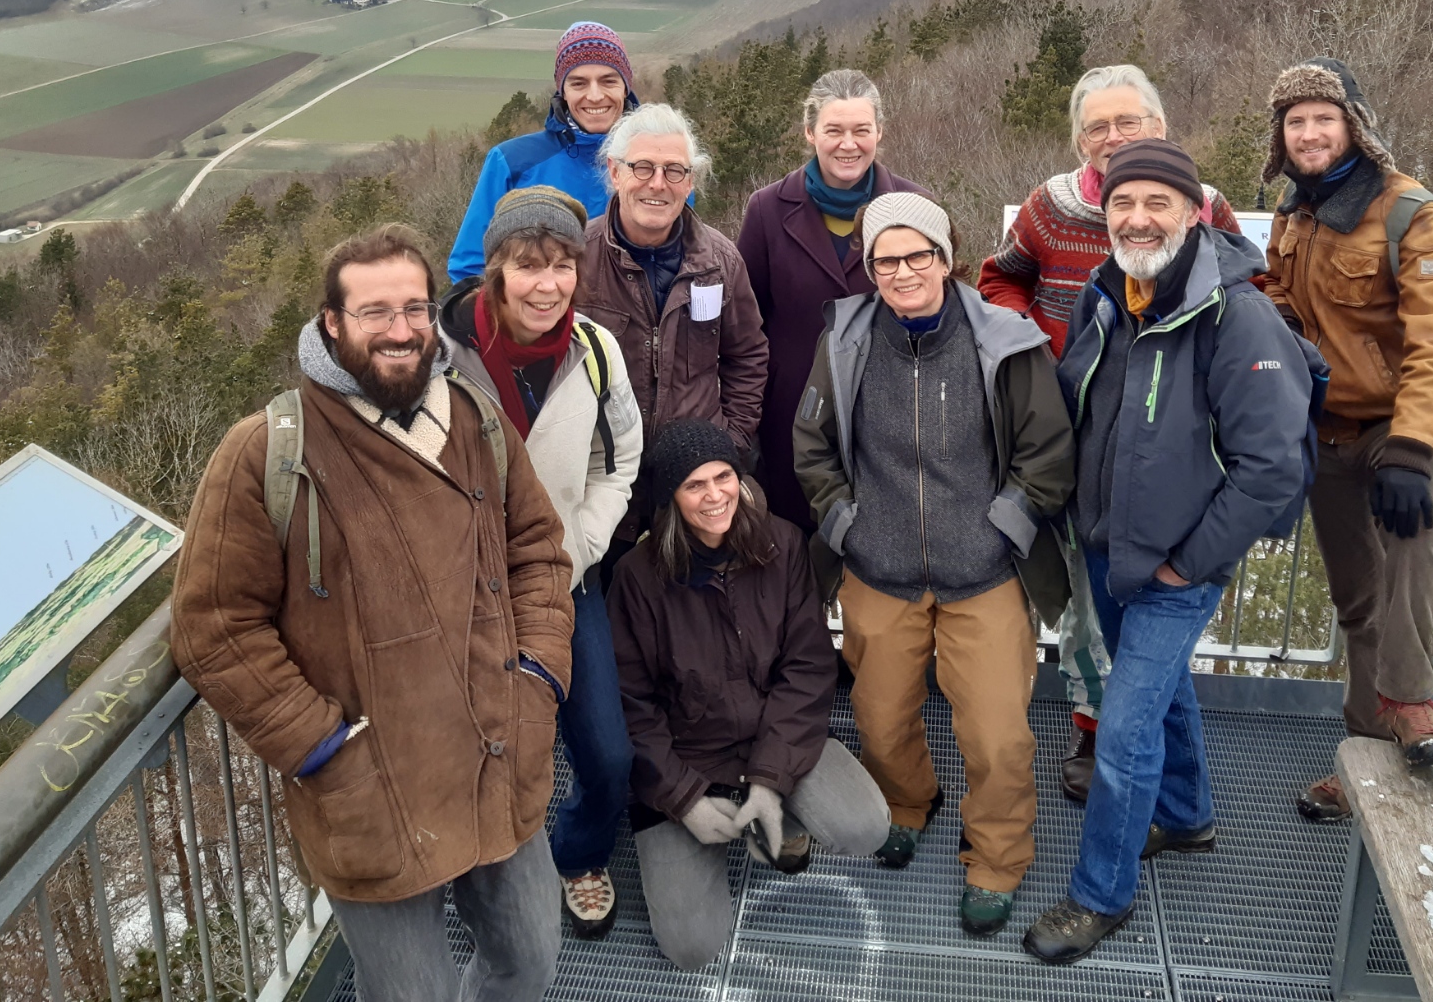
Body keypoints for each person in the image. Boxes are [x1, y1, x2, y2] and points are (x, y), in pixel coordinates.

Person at [171, 225, 573, 1002]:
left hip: (498, 750)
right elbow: (215, 625)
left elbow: (538, 550)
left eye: (415, 308)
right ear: (331, 323)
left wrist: (536, 676)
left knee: (529, 961)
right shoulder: (266, 451)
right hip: (371, 785)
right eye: (374, 312)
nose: (399, 330)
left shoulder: (474, 420)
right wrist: (321, 746)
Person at [1023, 140, 1317, 964]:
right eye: (1123, 204)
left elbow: (1269, 468)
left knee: (1122, 731)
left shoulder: (1237, 315)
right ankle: (1186, 818)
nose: (1137, 218)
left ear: (1193, 213)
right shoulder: (1107, 293)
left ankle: (1098, 896)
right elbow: (1080, 406)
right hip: (1112, 549)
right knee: (1159, 692)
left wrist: (1188, 563)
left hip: (1176, 565)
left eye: (1157, 203)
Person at [793, 192, 1074, 938]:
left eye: (918, 255)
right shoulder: (845, 341)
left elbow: (1047, 456)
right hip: (876, 570)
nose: (902, 271)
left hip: (982, 575)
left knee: (997, 736)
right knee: (879, 720)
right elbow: (812, 445)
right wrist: (846, 526)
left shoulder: (1005, 342)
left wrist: (1001, 532)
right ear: (869, 270)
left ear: (947, 259)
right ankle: (907, 804)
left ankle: (996, 858)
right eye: (886, 260)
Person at [978, 64, 1241, 802]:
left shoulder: (1203, 206)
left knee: (1151, 596)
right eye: (1097, 126)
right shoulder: (1050, 208)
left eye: (1130, 123)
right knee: (1082, 594)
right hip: (1069, 433)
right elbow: (999, 279)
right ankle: (1095, 732)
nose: (1113, 138)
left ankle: (1151, 747)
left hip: (1167, 444)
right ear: (1078, 138)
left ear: (1160, 129)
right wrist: (1041, 348)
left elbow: (1245, 296)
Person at [1259, 58, 1433, 821]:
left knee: (1411, 544)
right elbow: (1284, 301)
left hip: (1397, 423)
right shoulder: (1293, 213)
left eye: (1322, 117)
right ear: (1281, 138)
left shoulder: (1404, 210)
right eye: (1295, 121)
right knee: (1356, 601)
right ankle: (1363, 761)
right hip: (1326, 429)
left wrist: (1414, 446)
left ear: (1352, 124)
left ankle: (1411, 704)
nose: (1309, 132)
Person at [607, 419, 891, 970]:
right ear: (670, 499)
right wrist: (684, 799)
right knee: (693, 948)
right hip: (688, 757)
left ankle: (771, 808)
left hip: (772, 734)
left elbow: (808, 668)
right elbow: (632, 708)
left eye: (724, 476)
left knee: (866, 826)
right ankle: (716, 822)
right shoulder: (638, 580)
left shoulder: (781, 544)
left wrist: (769, 778)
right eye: (695, 485)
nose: (715, 495)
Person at [439, 186, 644, 940]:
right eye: (528, 264)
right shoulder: (437, 356)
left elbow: (619, 461)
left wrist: (581, 545)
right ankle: (480, 878)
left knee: (608, 757)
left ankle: (578, 855)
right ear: (495, 267)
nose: (548, 282)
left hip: (562, 582)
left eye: (563, 263)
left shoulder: (593, 349)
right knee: (471, 748)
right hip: (456, 595)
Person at [737, 68, 926, 530]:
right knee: (795, 544)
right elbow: (745, 322)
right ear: (810, 133)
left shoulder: (914, 204)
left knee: (881, 539)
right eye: (834, 131)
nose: (848, 144)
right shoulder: (766, 209)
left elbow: (937, 309)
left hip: (890, 411)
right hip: (792, 412)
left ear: (879, 132)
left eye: (861, 130)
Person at [576, 103, 768, 525]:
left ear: (690, 181)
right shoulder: (577, 259)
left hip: (693, 485)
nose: (658, 184)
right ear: (615, 172)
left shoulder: (720, 262)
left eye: (674, 170)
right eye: (642, 167)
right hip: (598, 482)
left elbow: (748, 356)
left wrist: (730, 443)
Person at [447, 22, 638, 282]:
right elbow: (471, 267)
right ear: (562, 91)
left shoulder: (659, 165)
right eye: (579, 83)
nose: (594, 96)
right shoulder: (513, 162)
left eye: (608, 81)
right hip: (538, 318)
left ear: (626, 87)